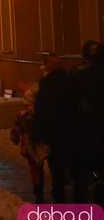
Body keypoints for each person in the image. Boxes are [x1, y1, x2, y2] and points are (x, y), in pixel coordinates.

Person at [32, 54, 73, 203]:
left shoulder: (46, 83)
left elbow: (41, 108)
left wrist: (37, 131)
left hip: (50, 130)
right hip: (67, 129)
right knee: (61, 165)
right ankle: (61, 193)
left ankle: (55, 196)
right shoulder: (70, 81)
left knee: (52, 164)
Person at [72, 41, 104, 203]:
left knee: (85, 171)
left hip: (86, 131)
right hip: (94, 129)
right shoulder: (82, 75)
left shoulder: (79, 75)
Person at [11, 86, 48, 203]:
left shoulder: (23, 114)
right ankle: (40, 189)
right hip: (41, 145)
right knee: (39, 168)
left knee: (34, 170)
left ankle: (38, 193)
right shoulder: (43, 113)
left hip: (29, 145)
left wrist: (15, 138)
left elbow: (16, 129)